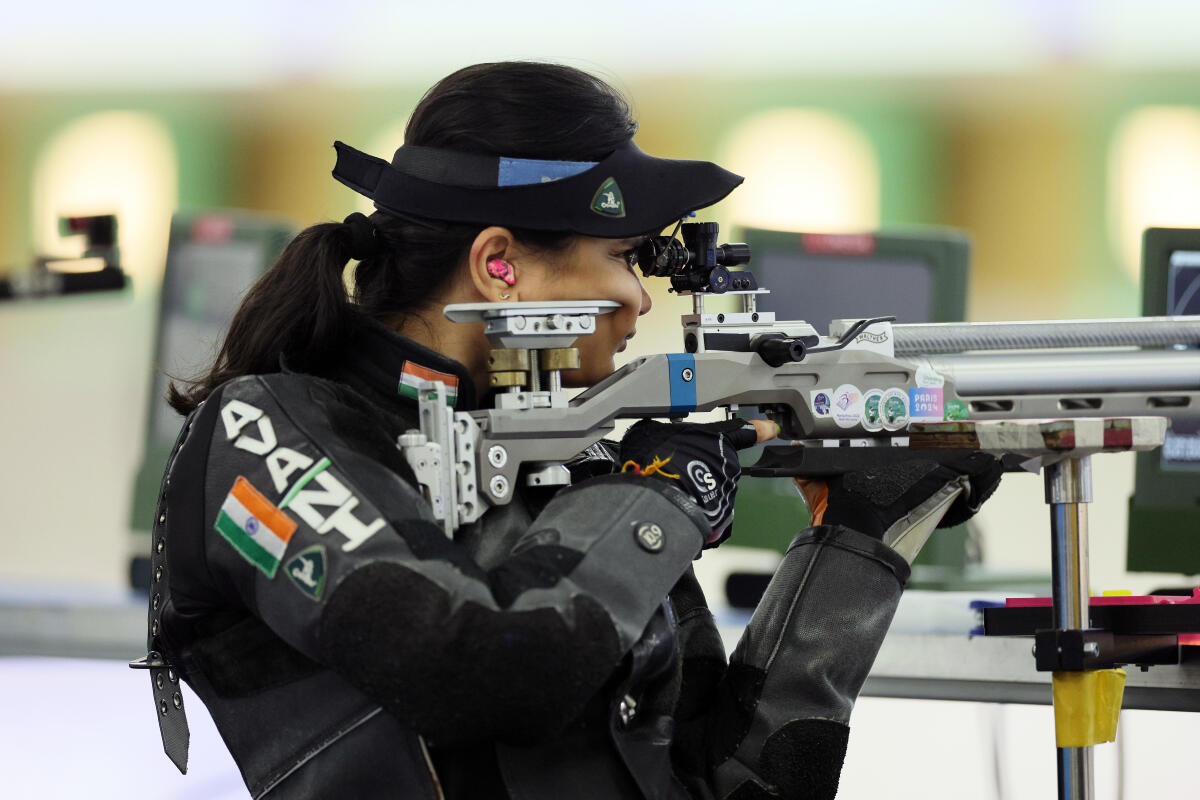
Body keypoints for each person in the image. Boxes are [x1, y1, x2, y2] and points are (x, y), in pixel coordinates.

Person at [142, 62, 1002, 799]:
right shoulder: (265, 427)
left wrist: (858, 542)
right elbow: (482, 671)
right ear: (500, 265)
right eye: (625, 257)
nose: (641, 297)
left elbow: (740, 782)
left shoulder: (576, 452)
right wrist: (659, 494)